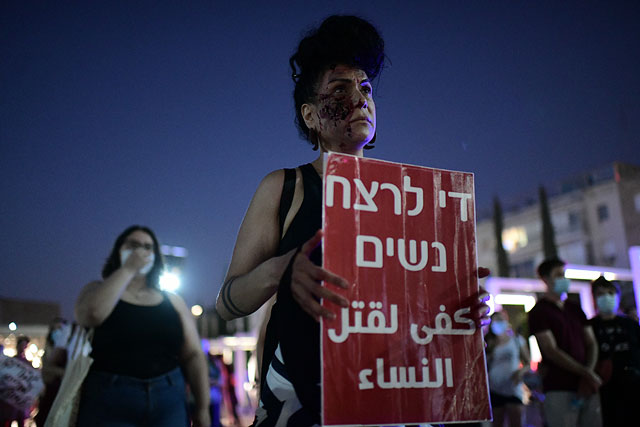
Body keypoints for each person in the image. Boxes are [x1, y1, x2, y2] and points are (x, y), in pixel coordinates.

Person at [215, 15, 490, 426]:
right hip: (304, 400)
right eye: (340, 89)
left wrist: (460, 310)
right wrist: (281, 271)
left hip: (394, 399)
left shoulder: (412, 199)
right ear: (310, 115)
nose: (360, 98)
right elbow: (226, 303)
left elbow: (412, 309)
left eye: (365, 88)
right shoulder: (285, 188)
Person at [74, 225, 210, 427]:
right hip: (109, 399)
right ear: (118, 250)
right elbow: (91, 315)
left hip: (168, 398)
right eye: (133, 245)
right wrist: (128, 269)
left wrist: (202, 408)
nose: (140, 251)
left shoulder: (172, 301)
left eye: (148, 247)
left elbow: (193, 354)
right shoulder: (96, 289)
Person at [527, 257, 602, 427]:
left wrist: (588, 373)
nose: (564, 279)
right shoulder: (539, 311)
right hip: (559, 386)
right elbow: (550, 350)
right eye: (558, 275)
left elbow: (591, 342)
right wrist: (586, 372)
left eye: (564, 274)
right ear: (546, 279)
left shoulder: (575, 308)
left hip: (587, 386)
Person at [588, 276, 640, 426]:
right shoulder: (590, 327)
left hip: (633, 385)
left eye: (610, 293)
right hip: (604, 389)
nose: (607, 297)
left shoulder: (630, 324)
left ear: (617, 296)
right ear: (594, 298)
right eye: (601, 294)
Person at [486, 310, 530, 427]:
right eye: (495, 320)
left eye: (500, 319)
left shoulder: (517, 340)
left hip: (513, 389)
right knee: (497, 423)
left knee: (516, 421)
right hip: (494, 388)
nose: (498, 323)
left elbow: (528, 363)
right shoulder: (488, 343)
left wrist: (520, 372)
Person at [34, 317, 71, 426]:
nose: (57, 332)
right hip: (49, 387)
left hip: (61, 389)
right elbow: (46, 368)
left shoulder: (68, 348)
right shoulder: (49, 347)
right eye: (54, 329)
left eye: (60, 328)